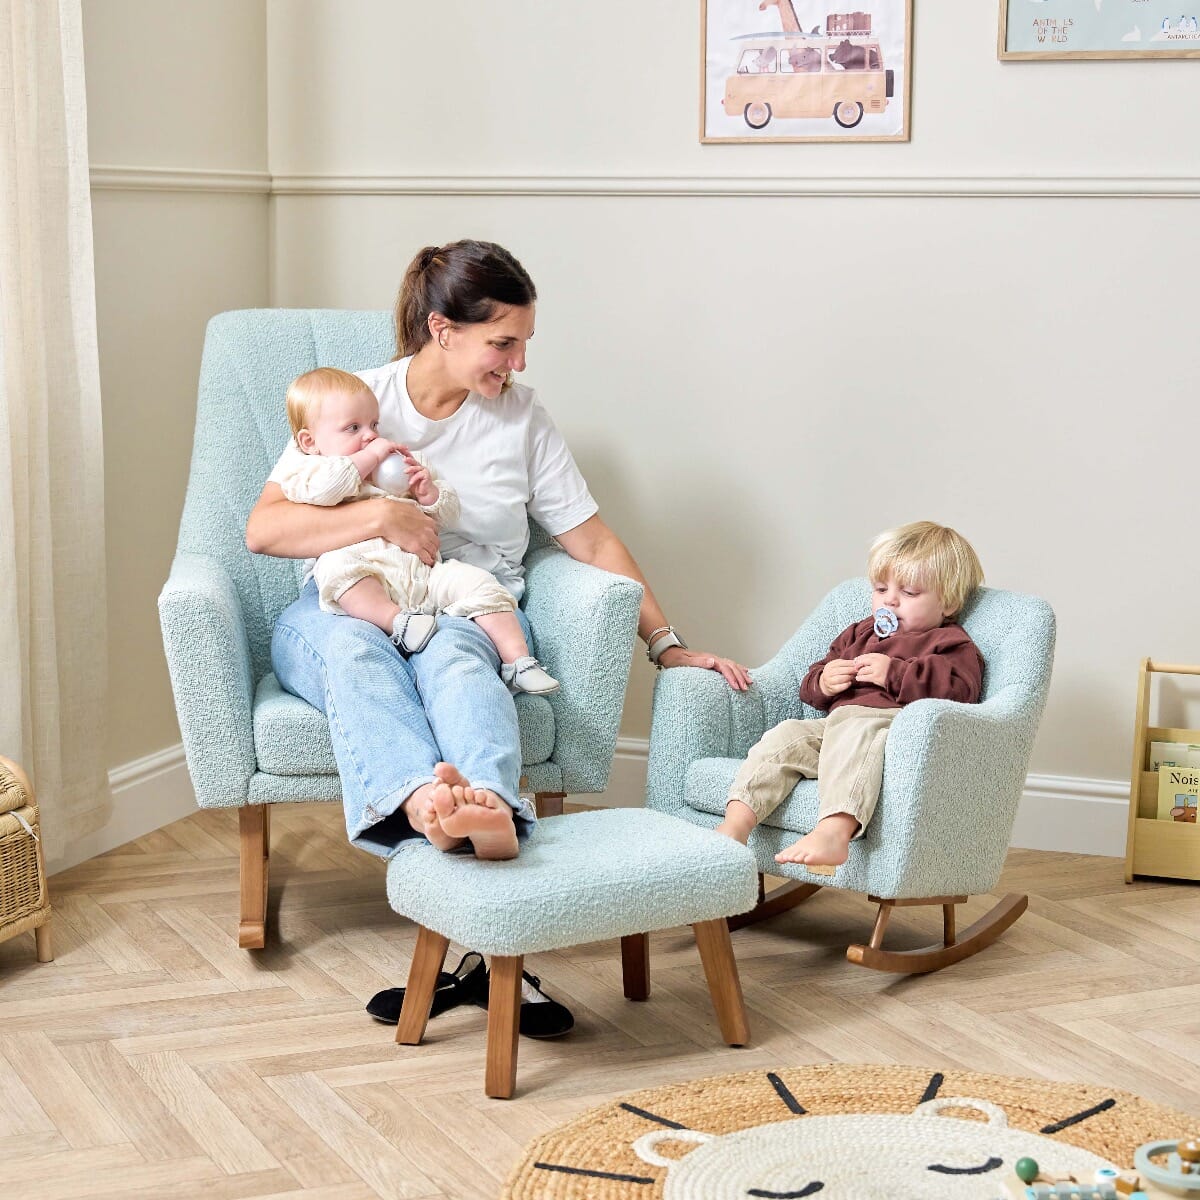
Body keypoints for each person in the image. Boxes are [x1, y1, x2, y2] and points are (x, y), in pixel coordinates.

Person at [245, 238, 751, 1032]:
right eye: (501, 342)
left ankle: (483, 817)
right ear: (441, 330)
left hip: (456, 607)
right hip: (344, 606)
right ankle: (426, 805)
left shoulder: (521, 417)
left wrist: (667, 642)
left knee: (460, 665)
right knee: (355, 655)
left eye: (522, 344)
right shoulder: (356, 403)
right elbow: (265, 529)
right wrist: (380, 514)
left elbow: (590, 538)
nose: (514, 362)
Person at [275, 366, 559, 696]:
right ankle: (395, 620)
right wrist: (368, 458)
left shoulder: (401, 462)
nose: (370, 435)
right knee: (338, 572)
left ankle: (518, 663)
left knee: (480, 584)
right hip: (365, 571)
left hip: (422, 573)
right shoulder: (310, 469)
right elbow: (327, 489)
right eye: (353, 428)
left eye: (374, 425)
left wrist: (429, 493)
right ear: (310, 441)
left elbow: (449, 514)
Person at [715, 521, 984, 869]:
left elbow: (961, 692)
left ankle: (834, 832)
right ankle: (735, 826)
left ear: (947, 602)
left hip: (888, 731)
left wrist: (895, 673)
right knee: (786, 735)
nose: (890, 600)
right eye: (881, 588)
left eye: (909, 593)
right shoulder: (860, 633)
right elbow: (812, 680)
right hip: (834, 729)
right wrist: (824, 681)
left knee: (856, 726)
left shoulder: (949, 643)